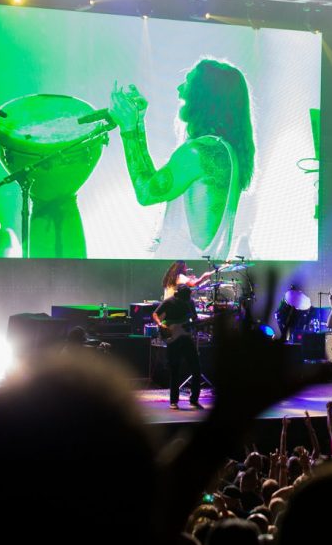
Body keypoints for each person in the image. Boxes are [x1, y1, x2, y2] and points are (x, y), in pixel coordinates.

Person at [109, 58, 256, 259]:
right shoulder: (224, 150)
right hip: (196, 274)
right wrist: (137, 124)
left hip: (182, 277)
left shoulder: (199, 151)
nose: (179, 89)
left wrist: (127, 129)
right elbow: (154, 182)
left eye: (187, 83)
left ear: (203, 96)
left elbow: (145, 192)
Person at [153, 285, 203, 410]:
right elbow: (155, 314)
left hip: (186, 337)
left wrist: (198, 323)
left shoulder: (190, 302)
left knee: (196, 369)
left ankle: (194, 400)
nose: (185, 299)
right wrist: (161, 324)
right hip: (173, 338)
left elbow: (194, 318)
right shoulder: (169, 302)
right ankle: (173, 401)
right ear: (178, 294)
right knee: (175, 370)